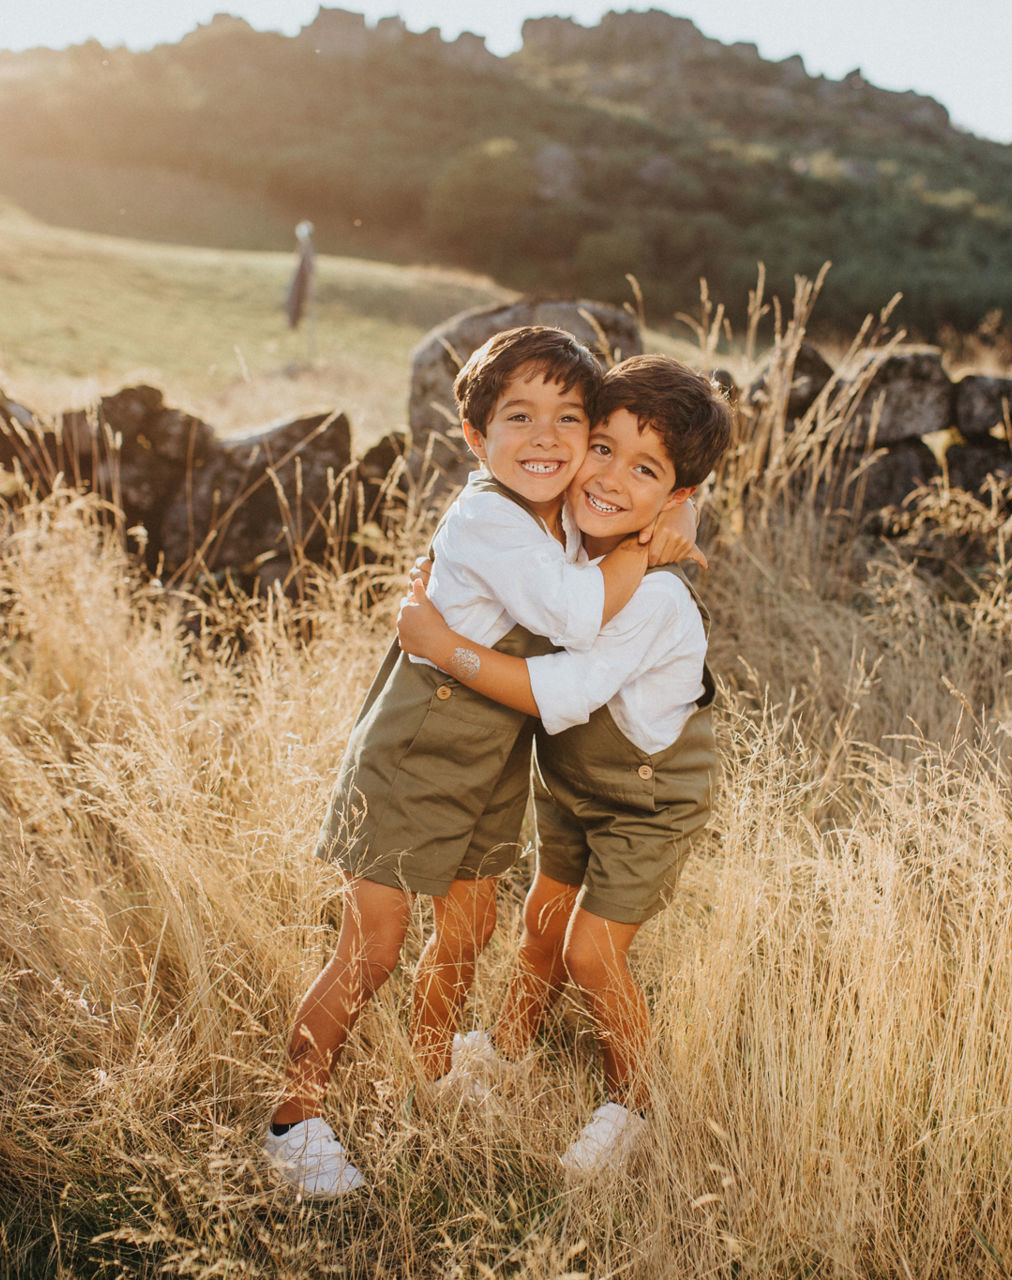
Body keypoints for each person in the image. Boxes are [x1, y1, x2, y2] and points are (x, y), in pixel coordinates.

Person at [264, 327, 698, 1197]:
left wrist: (673, 511)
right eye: (518, 417)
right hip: (420, 742)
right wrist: (648, 550)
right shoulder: (491, 517)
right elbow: (576, 617)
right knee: (374, 942)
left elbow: (641, 490)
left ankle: (432, 1076)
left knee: (470, 927)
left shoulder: (565, 518)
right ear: (475, 437)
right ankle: (293, 1117)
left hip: (494, 755)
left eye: (569, 420)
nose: (545, 437)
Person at [396, 354, 733, 1177]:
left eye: (644, 469)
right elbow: (513, 551)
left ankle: (633, 1103)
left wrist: (447, 649)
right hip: (573, 778)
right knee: (540, 927)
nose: (610, 476)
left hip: (649, 798)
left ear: (677, 495)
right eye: (602, 447)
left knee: (590, 952)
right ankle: (511, 1049)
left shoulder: (654, 594)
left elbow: (560, 691)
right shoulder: (569, 538)